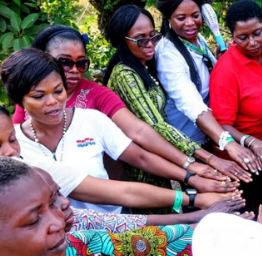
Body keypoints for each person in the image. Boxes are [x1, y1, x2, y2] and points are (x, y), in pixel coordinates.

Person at [11, 25, 239, 199]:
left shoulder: (96, 95)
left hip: (110, 191)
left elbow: (139, 132)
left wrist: (191, 167)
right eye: (65, 63)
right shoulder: (31, 101)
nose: (74, 71)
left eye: (81, 64)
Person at [103, 5, 252, 188]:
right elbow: (157, 125)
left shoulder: (143, 64)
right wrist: (209, 158)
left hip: (161, 157)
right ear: (121, 40)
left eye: (153, 36)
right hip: (143, 168)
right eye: (140, 40)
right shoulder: (125, 74)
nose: (150, 44)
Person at [0, 105, 242, 216]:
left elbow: (135, 164)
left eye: (11, 140)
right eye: (39, 95)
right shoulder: (31, 166)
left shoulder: (30, 168)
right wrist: (194, 202)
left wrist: (193, 184)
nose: (9, 151)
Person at [0, 156, 197, 256]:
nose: (58, 223)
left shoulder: (81, 245)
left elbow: (168, 240)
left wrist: (214, 223)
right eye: (34, 220)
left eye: (52, 203)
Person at [156, 0, 262, 173]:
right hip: (189, 143)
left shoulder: (196, 39)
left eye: (195, 16)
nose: (190, 23)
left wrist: (217, 62)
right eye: (181, 18)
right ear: (169, 18)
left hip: (211, 134)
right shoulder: (168, 54)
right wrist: (227, 142)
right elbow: (191, 103)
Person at [209, 0, 262, 213]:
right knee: (246, 214)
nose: (253, 42)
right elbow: (222, 125)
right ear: (232, 37)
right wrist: (250, 142)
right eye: (243, 37)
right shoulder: (226, 70)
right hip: (241, 161)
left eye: (257, 33)